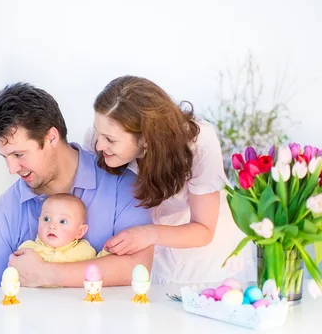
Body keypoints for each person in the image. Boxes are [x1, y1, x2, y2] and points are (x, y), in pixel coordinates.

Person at [87, 75, 255, 284]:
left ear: (146, 140)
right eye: (97, 132)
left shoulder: (198, 143)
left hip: (205, 251)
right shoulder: (102, 135)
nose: (99, 145)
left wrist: (148, 234)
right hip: (148, 239)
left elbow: (203, 230)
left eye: (110, 140)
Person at [0, 82, 152, 287]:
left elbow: (138, 268)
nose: (11, 168)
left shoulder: (122, 186)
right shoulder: (8, 207)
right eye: (5, 157)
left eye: (19, 154)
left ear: (51, 137)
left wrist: (47, 273)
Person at [18, 193, 105, 263]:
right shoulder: (28, 249)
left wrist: (107, 251)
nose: (52, 226)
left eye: (62, 221)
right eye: (46, 219)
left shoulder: (85, 251)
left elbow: (99, 269)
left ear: (80, 231)